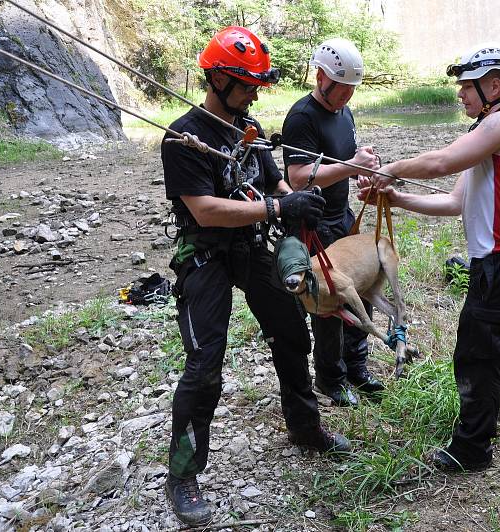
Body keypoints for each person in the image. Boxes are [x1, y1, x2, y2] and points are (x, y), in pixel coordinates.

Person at [160, 26, 351, 526]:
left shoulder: (251, 129)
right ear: (218, 79)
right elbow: (203, 211)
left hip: (250, 248)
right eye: (245, 84)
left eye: (255, 86)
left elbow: (275, 180)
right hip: (205, 255)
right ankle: (183, 474)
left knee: (292, 331)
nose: (253, 93)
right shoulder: (183, 137)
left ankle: (305, 427)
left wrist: (295, 202)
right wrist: (275, 205)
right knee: (204, 365)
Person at [360, 44, 500, 471]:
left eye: (467, 87)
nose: (460, 94)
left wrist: (391, 170)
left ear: (494, 85)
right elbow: (456, 201)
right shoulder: (486, 135)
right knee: (496, 328)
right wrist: (397, 198)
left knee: (476, 348)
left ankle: (472, 449)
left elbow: (440, 162)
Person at [281, 38, 383, 407]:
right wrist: (351, 166)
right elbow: (298, 176)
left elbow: (342, 160)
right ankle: (330, 378)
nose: (347, 97)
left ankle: (357, 367)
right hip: (316, 224)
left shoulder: (344, 112)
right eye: (342, 89)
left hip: (342, 217)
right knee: (328, 303)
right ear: (321, 77)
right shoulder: (302, 117)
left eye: (352, 90)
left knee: (361, 286)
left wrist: (360, 170)